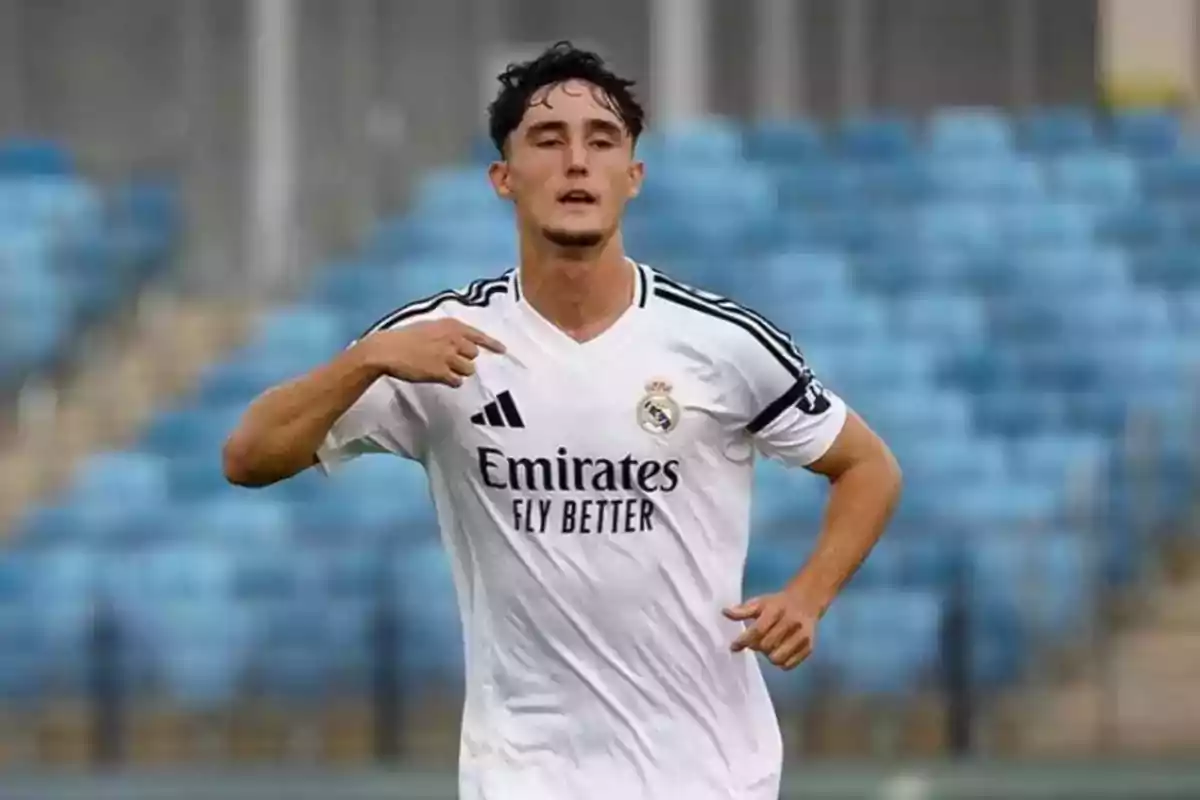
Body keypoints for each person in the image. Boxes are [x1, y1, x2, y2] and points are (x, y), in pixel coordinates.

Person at [223, 41, 902, 800]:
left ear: (633, 177)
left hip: (709, 773)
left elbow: (869, 466)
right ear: (504, 178)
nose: (576, 161)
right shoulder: (436, 344)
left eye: (602, 141)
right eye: (548, 140)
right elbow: (248, 456)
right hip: (524, 775)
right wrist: (366, 361)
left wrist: (807, 595)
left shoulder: (721, 343)